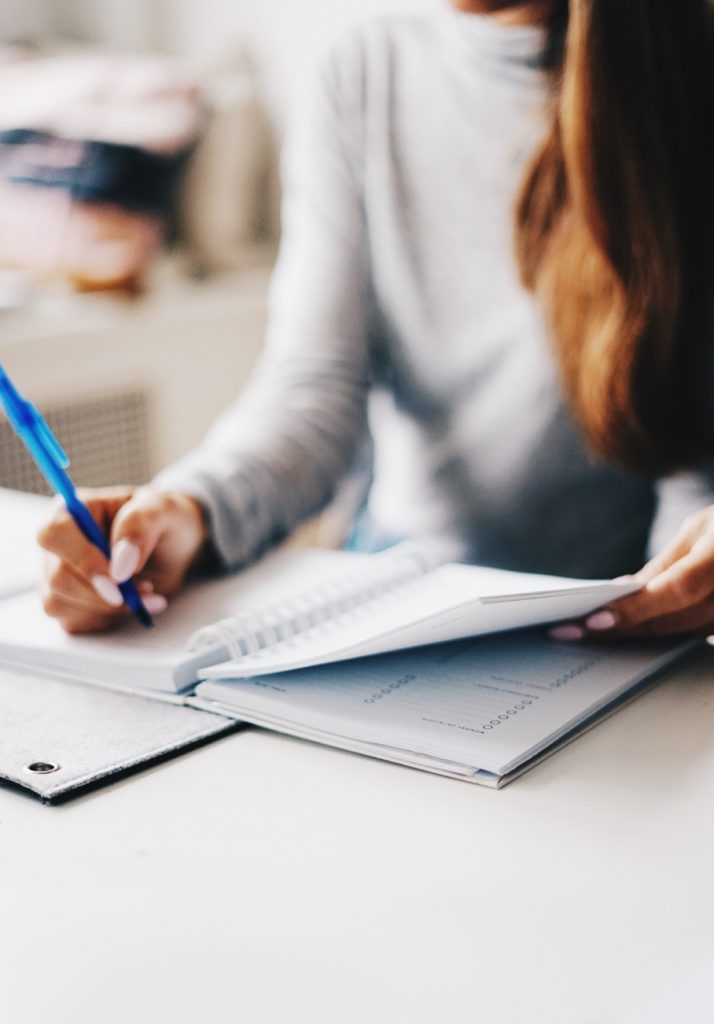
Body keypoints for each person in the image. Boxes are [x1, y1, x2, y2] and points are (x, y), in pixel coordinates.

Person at [38, 0, 714, 641]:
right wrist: (188, 510)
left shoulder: (688, 66)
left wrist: (679, 589)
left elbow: (695, 463)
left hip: (621, 631)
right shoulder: (362, 73)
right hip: (395, 607)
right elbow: (313, 391)